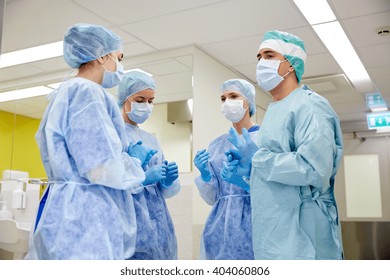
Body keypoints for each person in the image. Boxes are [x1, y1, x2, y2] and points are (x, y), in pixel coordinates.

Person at [26, 23, 149, 260]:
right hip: (86, 215)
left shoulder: (65, 92)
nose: (119, 66)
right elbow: (98, 167)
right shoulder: (87, 92)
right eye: (118, 58)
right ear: (102, 56)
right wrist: (133, 165)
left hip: (65, 210)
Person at [225, 30, 344, 260]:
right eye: (259, 57)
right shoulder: (274, 111)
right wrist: (249, 172)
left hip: (305, 236)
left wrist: (258, 158)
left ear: (291, 64)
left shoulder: (310, 107)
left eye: (269, 55)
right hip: (276, 236)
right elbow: (278, 179)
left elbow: (314, 169)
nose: (261, 62)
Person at [117, 70, 180, 259]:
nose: (146, 105)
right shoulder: (113, 135)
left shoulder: (151, 140)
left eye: (150, 101)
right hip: (128, 225)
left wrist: (167, 181)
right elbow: (110, 186)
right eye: (140, 99)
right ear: (124, 99)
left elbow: (163, 192)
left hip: (160, 227)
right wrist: (142, 179)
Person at [194, 79, 259, 260]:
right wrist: (206, 175)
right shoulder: (216, 145)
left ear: (248, 101)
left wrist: (245, 181)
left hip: (256, 223)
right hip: (219, 229)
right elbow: (213, 198)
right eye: (223, 98)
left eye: (233, 96)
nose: (227, 102)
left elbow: (272, 190)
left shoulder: (265, 138)